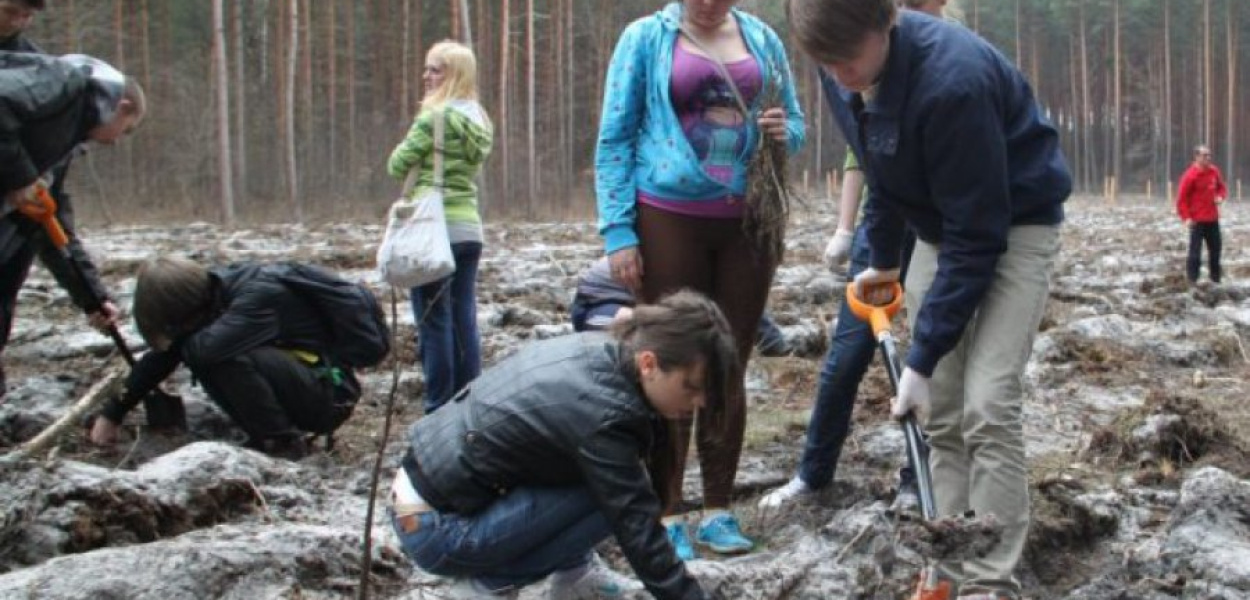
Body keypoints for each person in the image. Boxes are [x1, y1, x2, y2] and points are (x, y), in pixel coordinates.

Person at [787, 1, 1071, 599]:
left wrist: (919, 360)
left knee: (987, 402)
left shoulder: (953, 82)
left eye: (848, 59)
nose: (839, 76)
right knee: (940, 411)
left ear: (886, 20)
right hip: (941, 227)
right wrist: (882, 260)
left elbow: (979, 237)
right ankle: (946, 567)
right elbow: (880, 164)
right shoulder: (842, 64)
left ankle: (987, 582)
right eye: (826, 63)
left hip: (1014, 223)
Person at [594, 0, 805, 559]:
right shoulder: (644, 38)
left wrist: (784, 132)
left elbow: (798, 126)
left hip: (749, 223)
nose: (709, 4)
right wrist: (618, 231)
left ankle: (718, 510)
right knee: (668, 360)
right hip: (667, 217)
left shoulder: (763, 39)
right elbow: (615, 135)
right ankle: (666, 513)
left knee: (729, 360)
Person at [390, 290, 736, 599]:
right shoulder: (605, 414)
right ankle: (486, 586)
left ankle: (575, 575)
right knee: (615, 495)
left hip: (427, 495)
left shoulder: (602, 350)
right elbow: (637, 527)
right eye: (691, 387)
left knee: (602, 477)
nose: (701, 402)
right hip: (438, 529)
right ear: (649, 363)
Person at [761, 0, 953, 514]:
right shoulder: (860, 40)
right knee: (847, 355)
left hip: (941, 230)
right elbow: (860, 155)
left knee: (932, 362)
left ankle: (919, 478)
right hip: (884, 224)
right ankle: (812, 474)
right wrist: (847, 230)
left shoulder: (950, 56)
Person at [88, 257, 367, 460]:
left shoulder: (256, 297)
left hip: (331, 395)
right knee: (208, 352)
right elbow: (166, 354)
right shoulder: (211, 293)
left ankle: (281, 444)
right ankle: (268, 436)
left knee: (220, 358)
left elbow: (196, 351)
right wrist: (113, 412)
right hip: (304, 383)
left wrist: (173, 349)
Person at [0, 49, 146, 398]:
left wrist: (92, 298)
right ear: (122, 107)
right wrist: (21, 177)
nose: (112, 142)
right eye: (125, 132)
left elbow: (51, 227)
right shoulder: (66, 83)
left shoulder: (65, 138)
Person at [387, 40, 493, 415]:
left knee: (434, 323)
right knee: (464, 318)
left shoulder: (432, 118)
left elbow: (397, 165)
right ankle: (469, 401)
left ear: (454, 76)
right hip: (468, 229)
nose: (426, 76)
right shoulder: (479, 119)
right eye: (427, 68)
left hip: (432, 231)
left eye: (436, 70)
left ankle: (438, 408)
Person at [571, 256, 791, 357]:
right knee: (647, 325)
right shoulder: (594, 310)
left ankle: (773, 342)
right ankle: (773, 342)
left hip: (647, 291)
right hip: (600, 303)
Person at [1175, 144, 1227, 284]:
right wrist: (1186, 218)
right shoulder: (1190, 176)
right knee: (1195, 254)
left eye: (1209, 155)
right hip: (1196, 221)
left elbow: (1222, 188)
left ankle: (1216, 280)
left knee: (1216, 252)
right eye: (1204, 156)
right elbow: (1181, 200)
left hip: (1212, 219)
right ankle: (1192, 280)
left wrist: (1220, 197)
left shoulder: (1214, 171)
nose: (1208, 158)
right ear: (1197, 157)